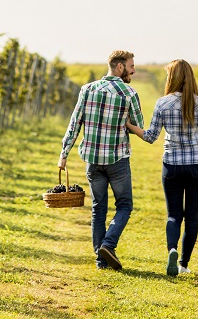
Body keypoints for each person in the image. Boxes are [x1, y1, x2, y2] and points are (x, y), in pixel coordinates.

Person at [125, 59, 198, 276]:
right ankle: (184, 264)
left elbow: (150, 137)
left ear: (172, 78)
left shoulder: (163, 103)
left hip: (172, 166)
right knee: (192, 217)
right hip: (197, 166)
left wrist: (129, 125)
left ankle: (172, 250)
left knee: (173, 215)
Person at [59, 50, 143, 270]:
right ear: (120, 67)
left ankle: (101, 260)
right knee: (124, 205)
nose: (133, 70)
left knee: (99, 208)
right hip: (117, 160)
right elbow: (138, 125)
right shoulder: (129, 93)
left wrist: (63, 154)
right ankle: (108, 244)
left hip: (93, 160)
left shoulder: (87, 90)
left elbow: (74, 123)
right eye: (131, 66)